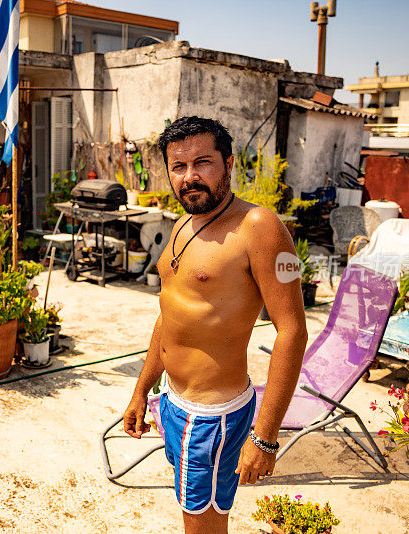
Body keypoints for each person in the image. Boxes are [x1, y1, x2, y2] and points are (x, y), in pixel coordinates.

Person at [123, 116, 308, 534]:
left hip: (211, 416)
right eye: (178, 166)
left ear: (228, 164)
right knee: (198, 516)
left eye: (202, 162)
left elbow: (293, 331)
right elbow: (170, 315)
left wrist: (265, 438)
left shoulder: (260, 227)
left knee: (202, 526)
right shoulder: (181, 224)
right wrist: (142, 391)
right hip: (172, 401)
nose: (189, 177)